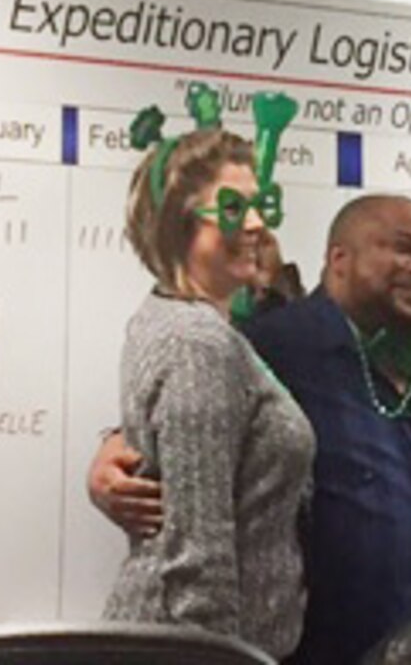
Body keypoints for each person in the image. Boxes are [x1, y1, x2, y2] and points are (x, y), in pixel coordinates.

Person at [92, 193, 411, 665]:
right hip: (318, 649)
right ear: (339, 258)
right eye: (403, 248)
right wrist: (113, 449)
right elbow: (186, 409)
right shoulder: (274, 346)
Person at [102, 127, 315, 661]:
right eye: (231, 208)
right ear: (179, 226)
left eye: (258, 205)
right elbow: (198, 558)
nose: (256, 224)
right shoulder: (197, 342)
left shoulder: (181, 323)